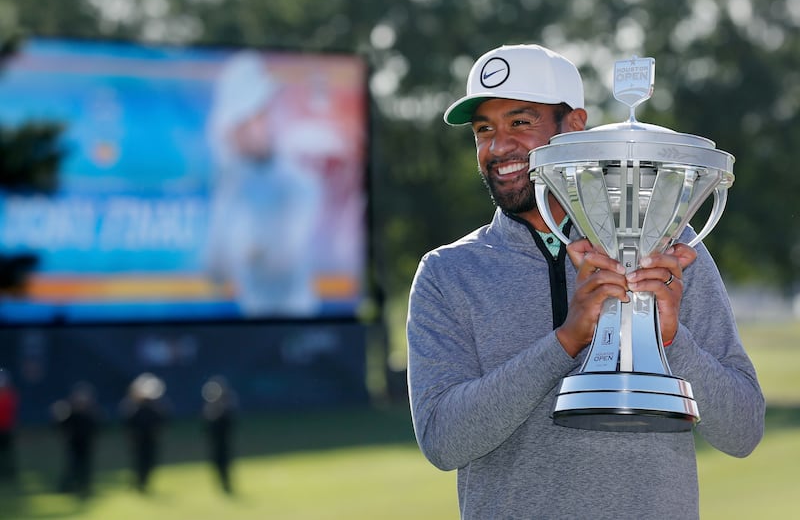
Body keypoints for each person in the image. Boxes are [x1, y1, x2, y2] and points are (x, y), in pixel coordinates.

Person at [406, 44, 765, 519]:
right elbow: (443, 442)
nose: (497, 147)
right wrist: (566, 340)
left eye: (520, 122)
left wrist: (672, 340)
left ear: (573, 127)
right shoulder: (447, 272)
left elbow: (743, 431)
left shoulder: (667, 243)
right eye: (483, 130)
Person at [205, 51, 323, 318]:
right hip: (248, 321)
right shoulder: (231, 186)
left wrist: (247, 249)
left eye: (258, 116)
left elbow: (283, 258)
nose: (251, 128)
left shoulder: (298, 182)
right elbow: (213, 267)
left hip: (297, 323)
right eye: (242, 122)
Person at [119, 372, 169, 493]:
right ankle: (138, 483)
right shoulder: (134, 407)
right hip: (139, 440)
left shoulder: (155, 408)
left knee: (149, 462)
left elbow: (163, 420)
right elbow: (128, 422)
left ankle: (144, 482)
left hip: (150, 439)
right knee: (139, 462)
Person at [51, 381, 101, 497]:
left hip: (86, 443)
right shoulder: (69, 413)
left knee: (85, 466)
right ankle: (67, 486)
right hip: (73, 443)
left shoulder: (91, 413)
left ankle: (84, 486)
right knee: (72, 465)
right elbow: (59, 426)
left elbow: (95, 428)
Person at [201, 375, 238, 493]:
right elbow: (206, 428)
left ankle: (227, 484)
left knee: (225, 463)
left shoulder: (225, 410)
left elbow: (231, 424)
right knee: (217, 464)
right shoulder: (210, 410)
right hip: (215, 443)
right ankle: (222, 484)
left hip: (224, 443)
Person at [0, 370, 18, 481]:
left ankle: (9, 473)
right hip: (5, 429)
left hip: (6, 429)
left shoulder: (11, 395)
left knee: (7, 453)